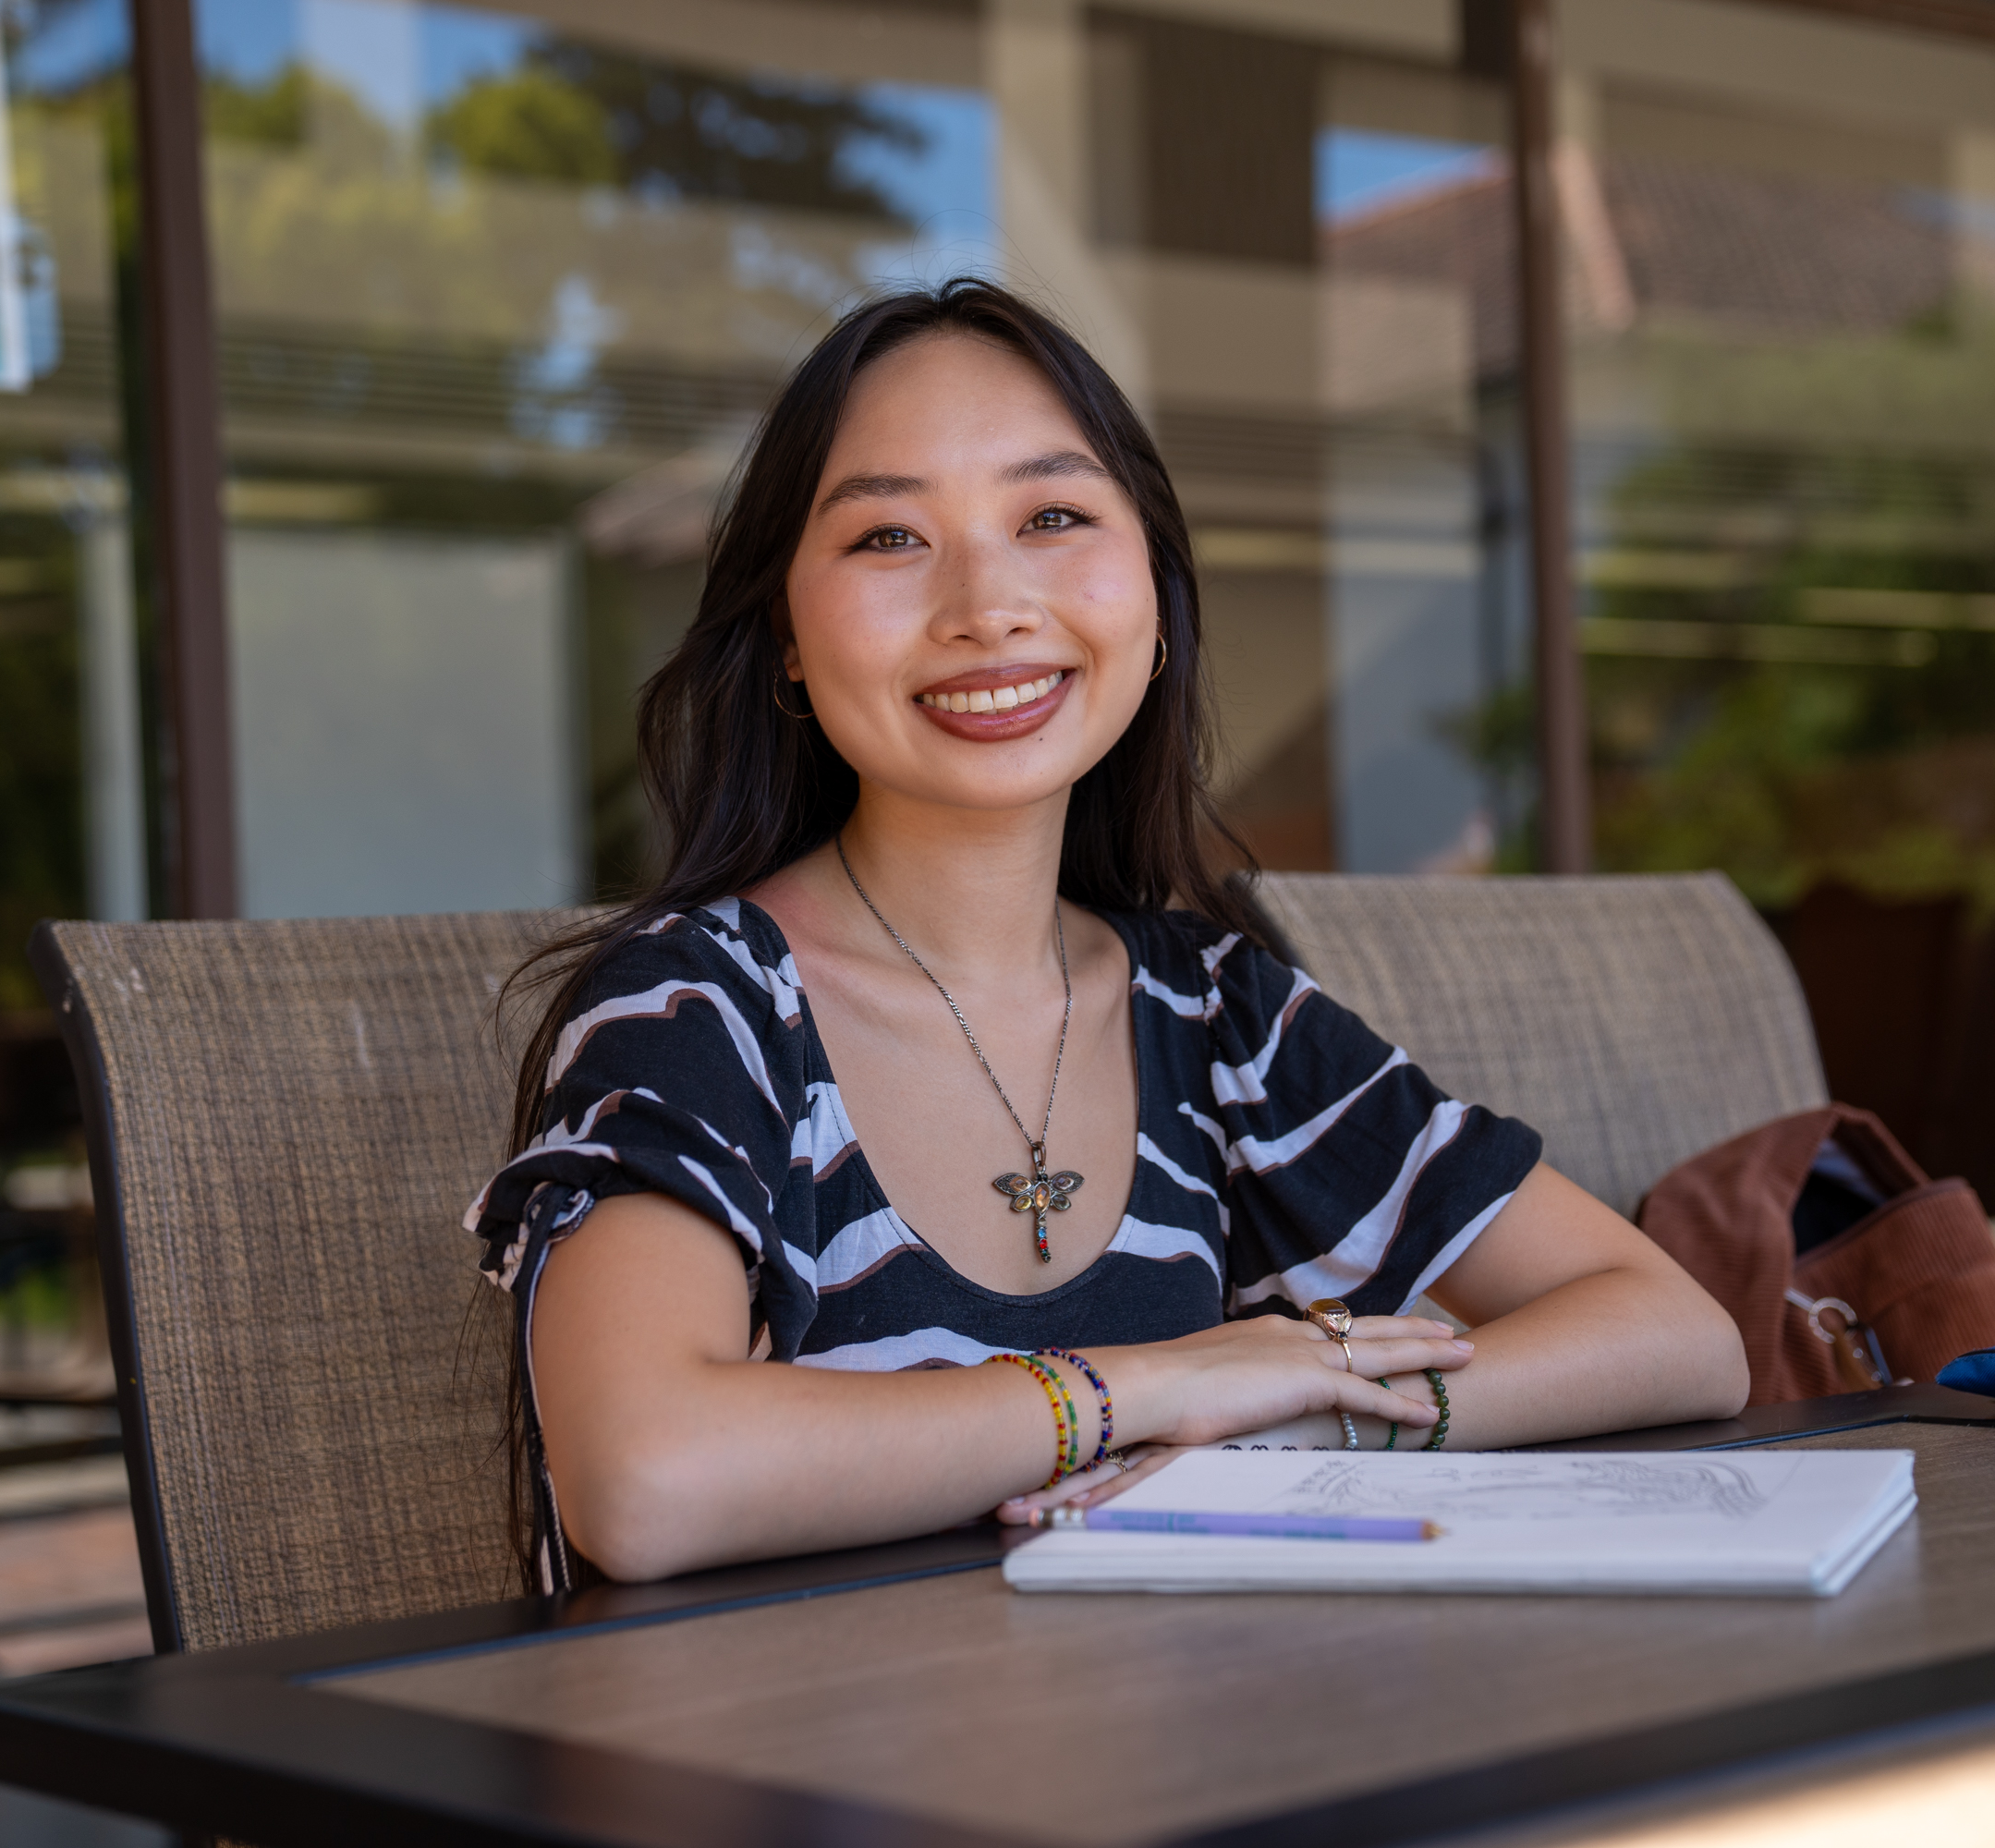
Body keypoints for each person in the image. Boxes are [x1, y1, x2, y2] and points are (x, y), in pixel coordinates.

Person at [468, 279, 1747, 1588]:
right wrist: (1147, 1388)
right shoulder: (698, 1011)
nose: (987, 603)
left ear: (1151, 591)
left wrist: (1316, 1416)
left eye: (1054, 516)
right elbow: (642, 1477)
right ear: (787, 638)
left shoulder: (1216, 1017)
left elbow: (1677, 1333)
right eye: (889, 539)